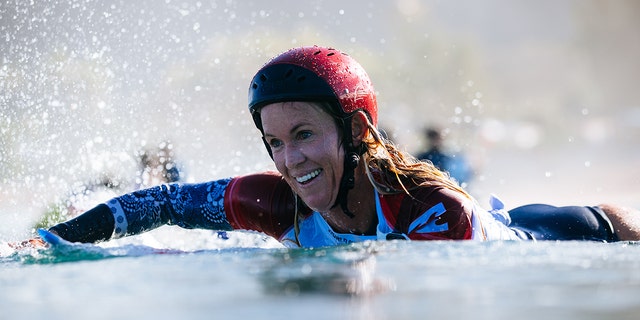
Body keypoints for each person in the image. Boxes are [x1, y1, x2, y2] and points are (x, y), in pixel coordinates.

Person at [14, 46, 640, 249]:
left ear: (360, 133)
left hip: (545, 237)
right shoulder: (277, 202)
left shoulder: (429, 211)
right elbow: (160, 203)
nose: (291, 161)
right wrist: (49, 243)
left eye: (306, 134)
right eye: (276, 143)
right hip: (499, 215)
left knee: (614, 226)